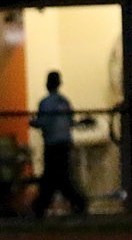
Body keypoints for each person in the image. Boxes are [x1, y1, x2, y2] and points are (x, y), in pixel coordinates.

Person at [30, 71, 89, 218]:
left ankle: (42, 205)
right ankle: (75, 202)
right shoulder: (64, 101)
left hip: (51, 144)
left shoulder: (45, 103)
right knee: (60, 176)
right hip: (64, 143)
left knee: (53, 177)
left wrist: (33, 122)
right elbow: (69, 122)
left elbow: (43, 123)